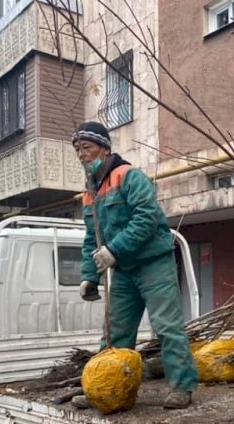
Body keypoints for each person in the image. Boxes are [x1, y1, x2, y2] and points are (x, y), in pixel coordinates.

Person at [72, 121, 198, 409]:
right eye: (77, 150)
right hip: (125, 269)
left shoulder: (129, 177)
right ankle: (105, 389)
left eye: (86, 148)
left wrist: (114, 250)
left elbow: (147, 218)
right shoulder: (90, 193)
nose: (81, 155)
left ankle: (182, 386)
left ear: (104, 149)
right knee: (114, 333)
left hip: (153, 263)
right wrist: (89, 276)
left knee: (167, 326)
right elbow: (92, 236)